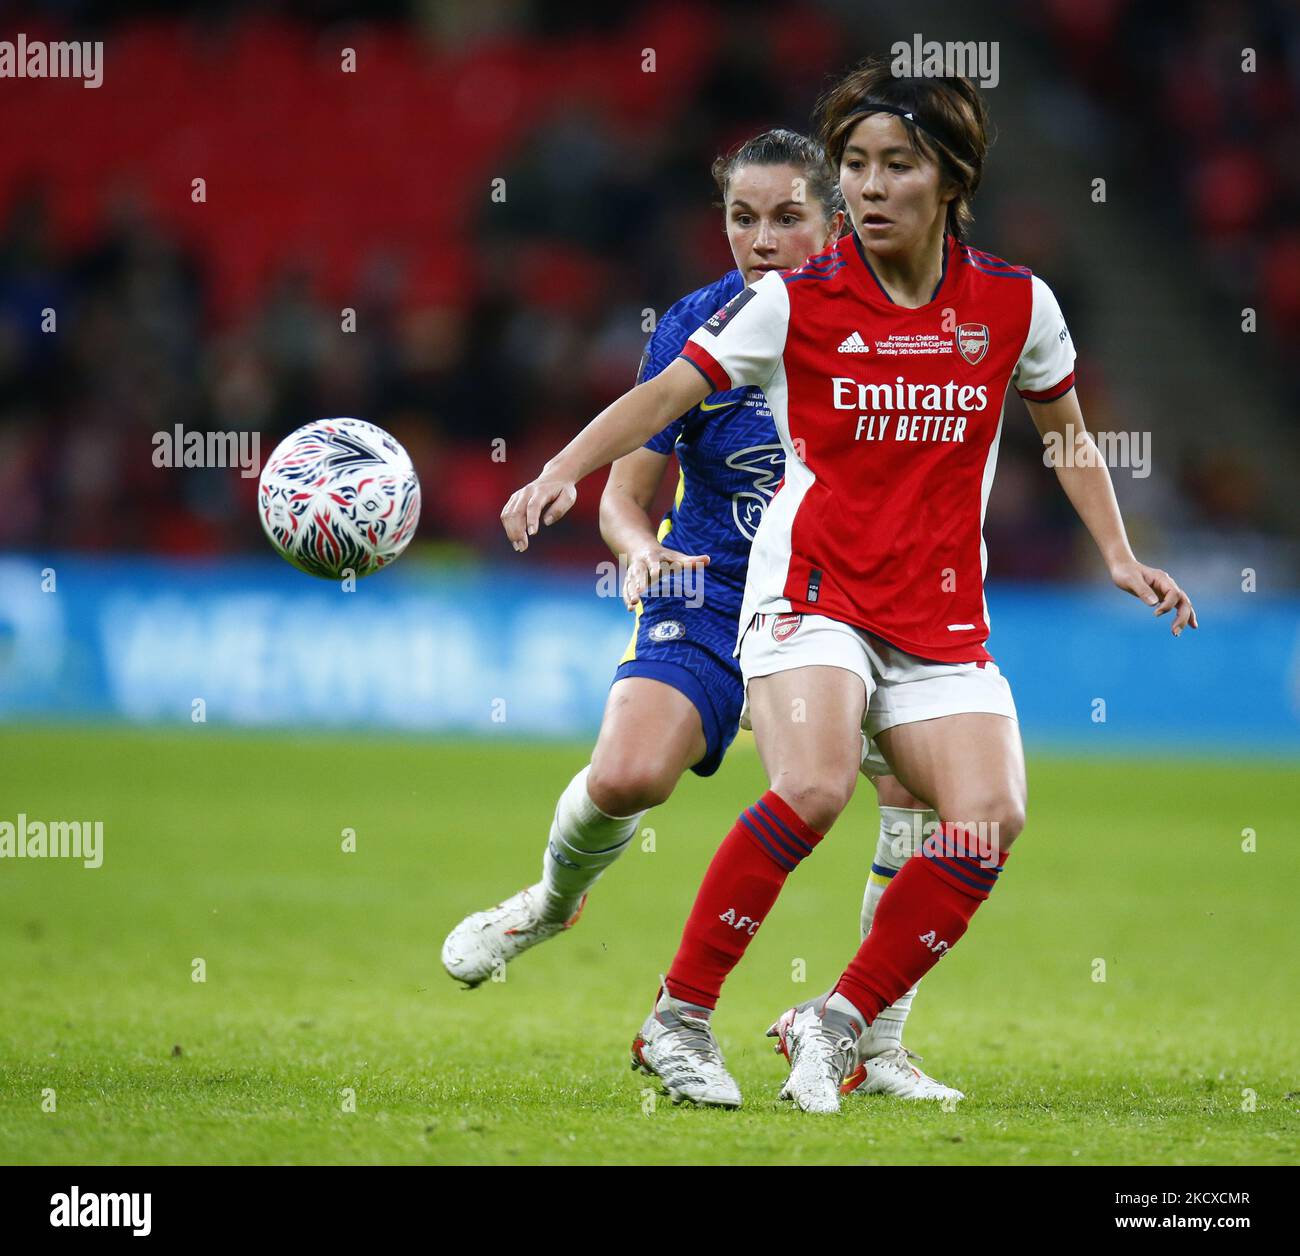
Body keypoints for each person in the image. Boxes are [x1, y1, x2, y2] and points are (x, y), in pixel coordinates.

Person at [498, 59, 1197, 1114]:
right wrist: (562, 467)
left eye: (895, 166)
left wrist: (1113, 549)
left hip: (940, 611)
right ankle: (676, 1017)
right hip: (810, 592)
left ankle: (836, 1021)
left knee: (987, 818)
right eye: (857, 166)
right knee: (815, 787)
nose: (869, 187)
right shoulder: (794, 302)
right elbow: (664, 394)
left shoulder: (1014, 303)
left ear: (949, 178)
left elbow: (1063, 428)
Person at [445, 128, 962, 1106]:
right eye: (741, 217)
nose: (760, 239)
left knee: (915, 797)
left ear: (836, 215)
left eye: (785, 217)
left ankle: (875, 1041)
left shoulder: (899, 318)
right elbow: (627, 492)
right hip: (711, 581)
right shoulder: (698, 323)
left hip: (845, 593)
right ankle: (549, 904)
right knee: (630, 772)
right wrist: (639, 550)